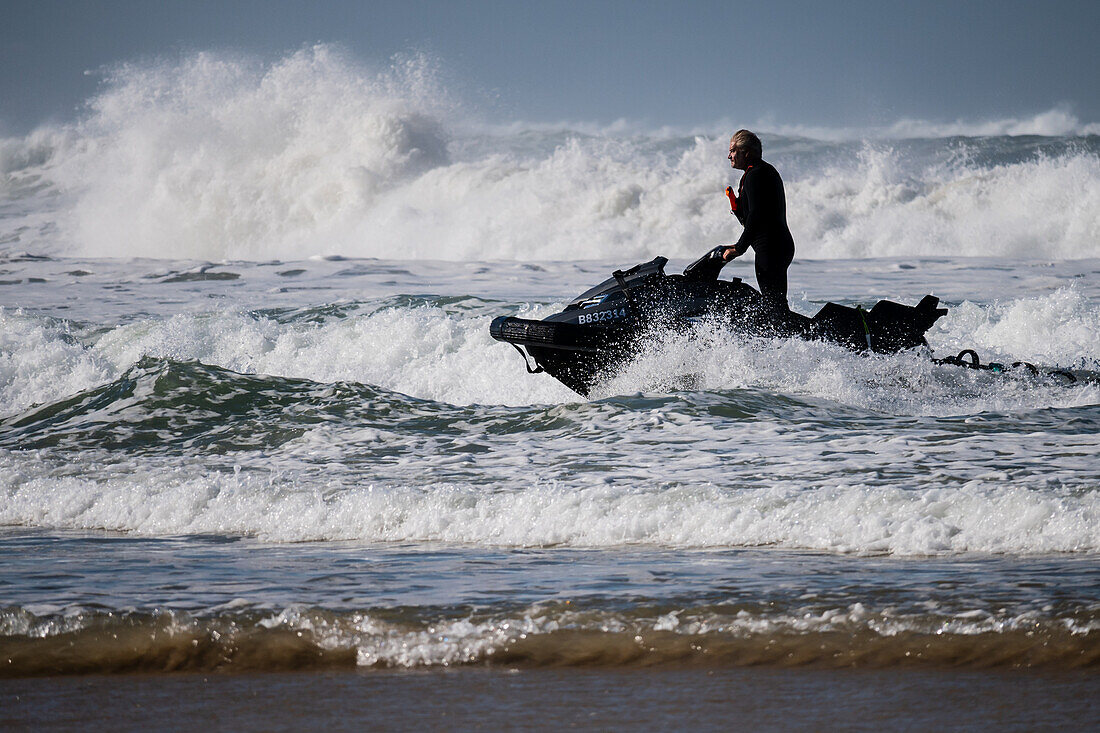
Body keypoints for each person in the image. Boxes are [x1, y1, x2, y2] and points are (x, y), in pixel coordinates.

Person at [716, 129, 795, 311]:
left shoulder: (756, 175)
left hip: (772, 249)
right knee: (775, 304)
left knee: (773, 305)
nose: (729, 156)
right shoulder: (759, 172)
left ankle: (797, 337)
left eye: (733, 151)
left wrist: (739, 247)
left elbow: (757, 215)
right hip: (777, 246)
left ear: (747, 153)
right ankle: (792, 337)